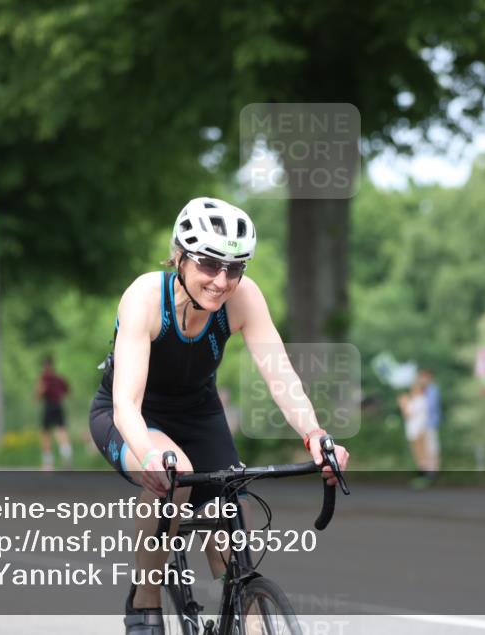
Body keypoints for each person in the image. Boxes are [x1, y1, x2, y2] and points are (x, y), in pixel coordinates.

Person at [88, 197, 350, 634]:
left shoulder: (243, 297)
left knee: (234, 517)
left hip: (198, 414)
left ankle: (247, 612)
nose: (222, 281)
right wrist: (150, 457)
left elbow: (279, 374)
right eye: (209, 264)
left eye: (235, 268)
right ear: (180, 257)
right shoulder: (145, 298)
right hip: (130, 417)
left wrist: (315, 435)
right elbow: (126, 404)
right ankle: (145, 599)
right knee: (177, 477)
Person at [38, 355, 72, 470]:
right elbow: (67, 391)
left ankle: (48, 463)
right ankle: (67, 456)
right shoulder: (59, 378)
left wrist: (37, 395)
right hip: (58, 405)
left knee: (46, 434)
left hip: (49, 406)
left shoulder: (44, 378)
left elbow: (40, 392)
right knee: (61, 431)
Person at [397, 379, 431, 479]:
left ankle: (425, 475)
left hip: (417, 431)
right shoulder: (418, 400)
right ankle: (423, 474)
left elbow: (407, 414)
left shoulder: (419, 400)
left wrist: (403, 403)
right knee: (418, 454)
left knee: (420, 454)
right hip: (416, 430)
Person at [417, 369, 441, 477]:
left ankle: (433, 473)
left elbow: (430, 407)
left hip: (430, 424)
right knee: (424, 449)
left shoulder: (432, 390)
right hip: (422, 425)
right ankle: (426, 472)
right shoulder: (422, 390)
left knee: (432, 448)